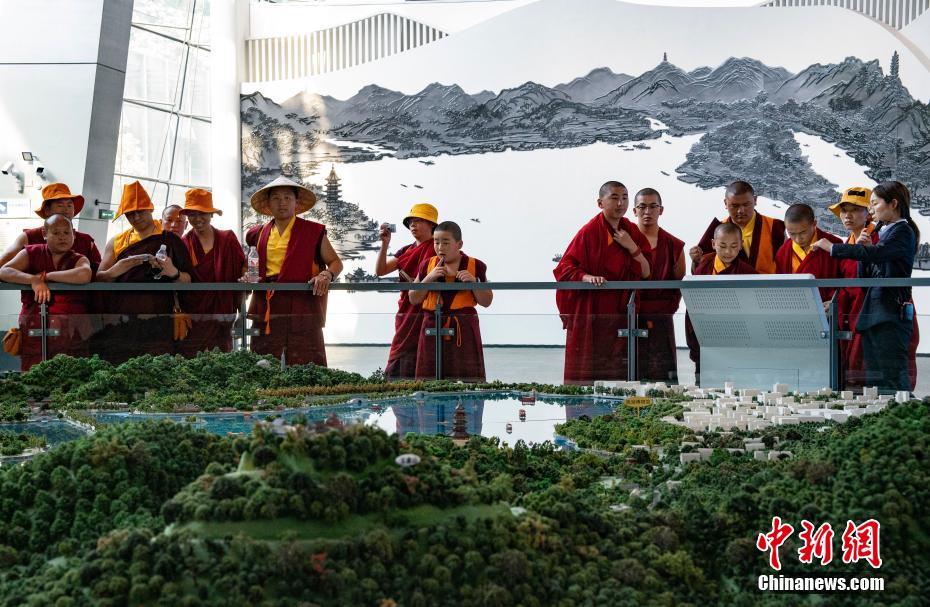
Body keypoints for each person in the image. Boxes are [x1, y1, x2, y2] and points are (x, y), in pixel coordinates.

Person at [813, 181, 919, 393]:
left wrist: (833, 248)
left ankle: (898, 411)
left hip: (889, 312)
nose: (871, 210)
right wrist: (866, 249)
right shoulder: (882, 234)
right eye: (844, 211)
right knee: (876, 377)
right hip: (873, 314)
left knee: (891, 375)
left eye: (874, 204)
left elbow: (877, 258)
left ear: (893, 204)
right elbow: (870, 272)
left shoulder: (902, 231)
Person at [554, 181, 651, 384]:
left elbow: (646, 272)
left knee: (620, 367)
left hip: (622, 312)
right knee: (589, 366)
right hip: (593, 311)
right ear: (600, 203)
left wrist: (631, 247)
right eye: (614, 198)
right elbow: (565, 268)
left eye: (624, 198)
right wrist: (586, 277)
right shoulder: (590, 231)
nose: (620, 203)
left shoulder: (631, 231)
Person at [245, 176, 343, 366]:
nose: (282, 203)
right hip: (267, 302)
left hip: (302, 302)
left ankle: (309, 386)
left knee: (307, 359)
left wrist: (326, 274)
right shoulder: (257, 233)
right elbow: (249, 265)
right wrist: (247, 275)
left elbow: (335, 262)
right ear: (268, 204)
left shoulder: (312, 231)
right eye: (275, 198)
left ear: (296, 203)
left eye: (287, 197)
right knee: (262, 361)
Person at [93, 181, 194, 363]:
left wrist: (173, 272)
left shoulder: (170, 239)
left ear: (150, 208)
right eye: (130, 213)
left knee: (159, 365)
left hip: (160, 316)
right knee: (124, 366)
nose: (136, 217)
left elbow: (189, 280)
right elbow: (100, 278)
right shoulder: (117, 242)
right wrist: (118, 269)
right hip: (123, 318)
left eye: (141, 211)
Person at [0, 215, 92, 370]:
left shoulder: (79, 259)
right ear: (44, 234)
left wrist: (47, 276)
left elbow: (84, 275)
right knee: (34, 373)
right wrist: (33, 280)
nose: (62, 237)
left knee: (71, 373)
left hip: (70, 330)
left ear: (74, 234)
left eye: (66, 232)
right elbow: (4, 271)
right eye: (56, 233)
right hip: (35, 327)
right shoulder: (32, 253)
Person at [410, 221, 492, 382]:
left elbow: (487, 301)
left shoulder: (476, 265)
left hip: (463, 327)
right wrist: (428, 278)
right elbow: (413, 298)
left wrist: (473, 283)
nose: (440, 248)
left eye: (446, 243)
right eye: (436, 242)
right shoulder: (427, 265)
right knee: (429, 376)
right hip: (432, 326)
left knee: (466, 377)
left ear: (459, 244)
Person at [375, 203, 439, 380]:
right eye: (410, 222)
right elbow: (380, 270)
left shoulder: (437, 248)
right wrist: (384, 244)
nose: (413, 225)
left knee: (424, 349)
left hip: (427, 307)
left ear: (431, 224)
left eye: (418, 220)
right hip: (407, 308)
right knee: (401, 349)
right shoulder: (406, 250)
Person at [179, 188, 246, 356]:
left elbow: (242, 271)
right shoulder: (184, 243)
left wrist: (243, 313)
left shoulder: (227, 239)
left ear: (211, 214)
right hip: (194, 314)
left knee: (221, 358)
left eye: (202, 213)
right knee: (193, 359)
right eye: (192, 214)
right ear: (187, 217)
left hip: (222, 312)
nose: (197, 219)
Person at [686, 223, 757, 380]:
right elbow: (693, 304)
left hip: (735, 337)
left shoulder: (748, 273)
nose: (728, 252)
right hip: (705, 334)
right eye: (722, 246)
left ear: (741, 245)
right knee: (704, 383)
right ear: (713, 244)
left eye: (734, 246)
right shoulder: (704, 266)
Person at [830, 187, 881, 388]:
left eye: (855, 210)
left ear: (869, 213)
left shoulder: (876, 239)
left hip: (871, 312)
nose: (847, 216)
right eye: (844, 210)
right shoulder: (850, 240)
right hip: (851, 313)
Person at [632, 188, 684, 383]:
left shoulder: (673, 245)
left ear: (661, 210)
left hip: (662, 318)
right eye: (642, 207)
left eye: (653, 206)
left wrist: (666, 309)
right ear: (634, 211)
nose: (647, 212)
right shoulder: (625, 241)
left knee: (663, 374)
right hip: (629, 316)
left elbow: (678, 285)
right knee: (630, 370)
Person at [0, 183, 101, 270]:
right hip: (36, 287)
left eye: (69, 205)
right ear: (47, 210)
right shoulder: (29, 237)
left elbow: (98, 272)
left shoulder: (86, 240)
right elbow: (5, 262)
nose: (66, 209)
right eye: (60, 205)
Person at [693, 180, 785, 274]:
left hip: (768, 283)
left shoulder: (774, 227)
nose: (741, 211)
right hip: (727, 283)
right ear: (725, 203)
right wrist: (696, 260)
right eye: (735, 205)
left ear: (755, 200)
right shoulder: (718, 229)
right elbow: (701, 270)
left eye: (746, 204)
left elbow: (787, 264)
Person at [774, 203, 842, 303]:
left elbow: (844, 283)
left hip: (826, 307)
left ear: (814, 224)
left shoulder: (833, 244)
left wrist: (836, 301)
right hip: (795, 305)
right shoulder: (783, 252)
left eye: (803, 232)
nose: (798, 239)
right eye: (792, 233)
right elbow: (780, 286)